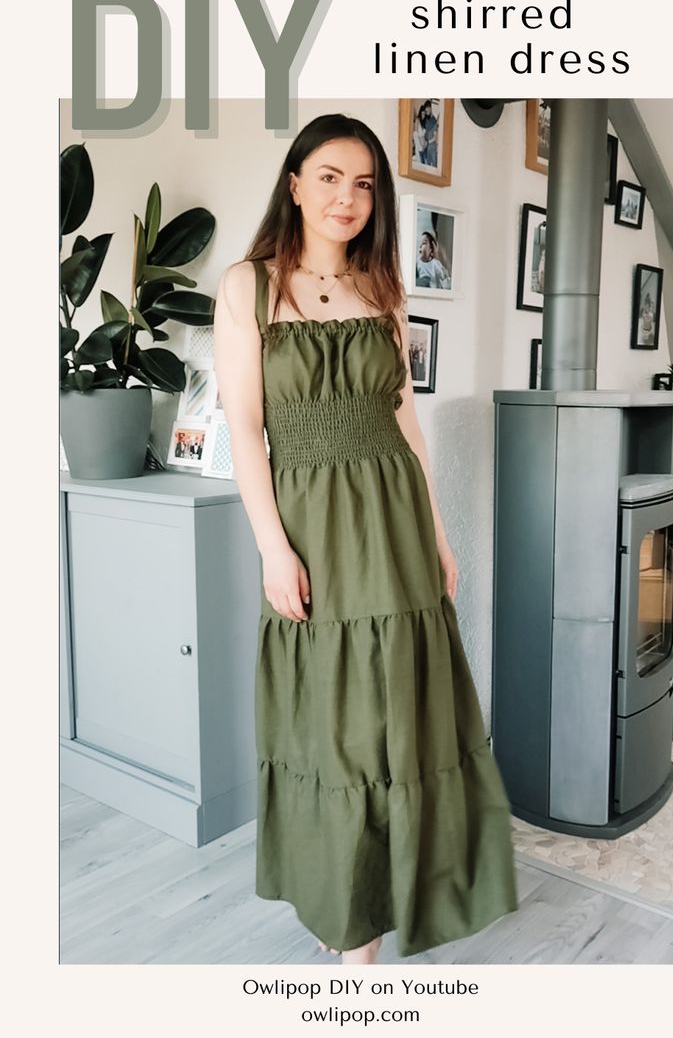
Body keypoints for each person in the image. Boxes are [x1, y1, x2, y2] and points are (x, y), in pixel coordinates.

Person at [213, 113, 518, 965]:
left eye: (365, 184)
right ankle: (341, 904)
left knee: (401, 722)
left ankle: (375, 931)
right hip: (310, 522)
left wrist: (440, 533)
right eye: (331, 177)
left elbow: (407, 425)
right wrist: (274, 548)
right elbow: (244, 430)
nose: (348, 198)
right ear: (295, 183)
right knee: (333, 727)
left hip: (393, 521)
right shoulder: (247, 285)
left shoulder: (384, 288)